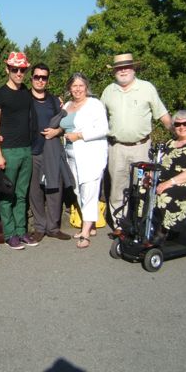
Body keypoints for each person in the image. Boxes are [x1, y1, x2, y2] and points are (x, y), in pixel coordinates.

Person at [100, 53, 172, 229]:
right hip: (116, 148)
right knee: (117, 189)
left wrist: (179, 134)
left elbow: (162, 114)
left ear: (133, 69)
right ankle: (120, 226)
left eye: (126, 67)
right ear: (115, 71)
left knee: (141, 188)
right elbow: (98, 118)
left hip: (141, 148)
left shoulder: (147, 88)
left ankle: (140, 223)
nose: (123, 70)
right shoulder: (109, 91)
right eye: (119, 68)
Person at [0, 51, 39, 250]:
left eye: (22, 69)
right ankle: (10, 234)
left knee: (21, 194)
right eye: (15, 69)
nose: (19, 73)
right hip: (8, 151)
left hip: (26, 149)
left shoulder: (26, 92)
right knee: (7, 194)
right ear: (7, 70)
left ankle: (21, 231)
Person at [61, 73, 109, 249]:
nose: (78, 89)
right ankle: (92, 223)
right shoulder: (67, 105)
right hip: (71, 155)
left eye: (81, 85)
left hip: (91, 154)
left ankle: (86, 231)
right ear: (69, 88)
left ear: (86, 87)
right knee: (78, 190)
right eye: (74, 86)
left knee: (89, 189)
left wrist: (80, 135)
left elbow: (104, 129)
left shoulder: (94, 104)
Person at [29, 63, 72, 242]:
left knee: (54, 189)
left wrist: (57, 132)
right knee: (35, 191)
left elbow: (64, 125)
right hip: (31, 151)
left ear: (47, 80)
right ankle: (39, 227)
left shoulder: (54, 101)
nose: (40, 80)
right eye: (37, 76)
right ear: (31, 78)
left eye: (44, 77)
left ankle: (53, 227)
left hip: (51, 150)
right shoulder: (24, 98)